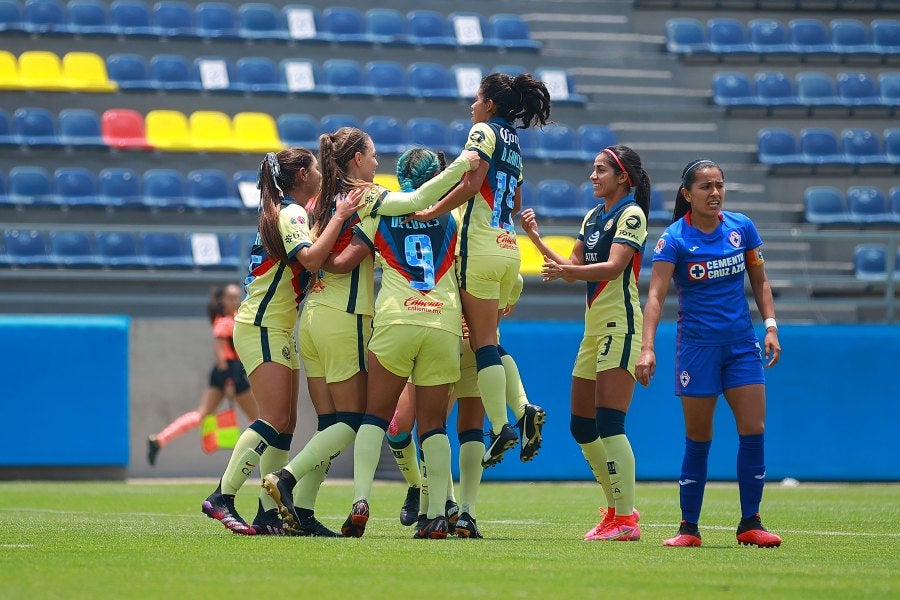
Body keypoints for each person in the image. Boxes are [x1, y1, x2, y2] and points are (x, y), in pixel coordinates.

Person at [261, 131, 480, 534]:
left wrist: (319, 266)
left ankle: (304, 512)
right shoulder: (371, 199)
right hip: (359, 320)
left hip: (312, 318)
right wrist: (465, 166)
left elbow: (334, 259)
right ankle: (287, 478)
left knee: (333, 422)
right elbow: (416, 206)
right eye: (373, 155)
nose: (377, 162)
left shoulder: (318, 201)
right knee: (364, 420)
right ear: (358, 158)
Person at [201, 147, 363, 536]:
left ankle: (268, 513)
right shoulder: (291, 213)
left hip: (275, 326)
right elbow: (309, 259)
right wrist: (340, 218)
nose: (321, 172)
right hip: (263, 324)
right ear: (303, 173)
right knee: (273, 418)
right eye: (315, 166)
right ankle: (222, 496)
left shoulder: (287, 211)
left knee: (285, 423)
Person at [635, 159, 783, 549]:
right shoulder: (674, 239)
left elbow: (761, 281)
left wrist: (770, 327)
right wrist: (647, 347)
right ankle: (688, 528)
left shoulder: (742, 228)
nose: (715, 193)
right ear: (687, 194)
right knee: (698, 437)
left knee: (754, 430)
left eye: (719, 185)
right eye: (706, 187)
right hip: (697, 349)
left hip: (741, 347)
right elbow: (655, 296)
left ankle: (751, 523)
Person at [406, 73, 551, 469]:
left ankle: (504, 425)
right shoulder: (515, 142)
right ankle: (521, 410)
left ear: (489, 104)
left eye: (476, 99)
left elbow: (471, 184)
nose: (471, 106)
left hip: (481, 248)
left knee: (482, 344)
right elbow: (516, 196)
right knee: (488, 340)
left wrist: (432, 209)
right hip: (509, 248)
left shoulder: (483, 132)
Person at [521, 145, 649, 542]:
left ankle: (624, 519)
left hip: (621, 324)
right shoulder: (594, 216)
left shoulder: (631, 214)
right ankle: (617, 507)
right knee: (581, 425)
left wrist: (564, 270)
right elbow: (572, 269)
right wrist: (536, 239)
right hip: (593, 329)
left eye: (600, 170)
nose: (593, 176)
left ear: (622, 177)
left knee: (611, 423)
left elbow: (613, 268)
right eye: (593, 170)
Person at [147, 283, 257, 466]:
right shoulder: (225, 322)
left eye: (238, 297)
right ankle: (266, 460)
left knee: (201, 415)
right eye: (231, 298)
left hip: (225, 372)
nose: (236, 301)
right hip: (231, 372)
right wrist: (230, 381)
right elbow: (220, 353)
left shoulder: (232, 318)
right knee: (260, 419)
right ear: (222, 301)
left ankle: (159, 440)